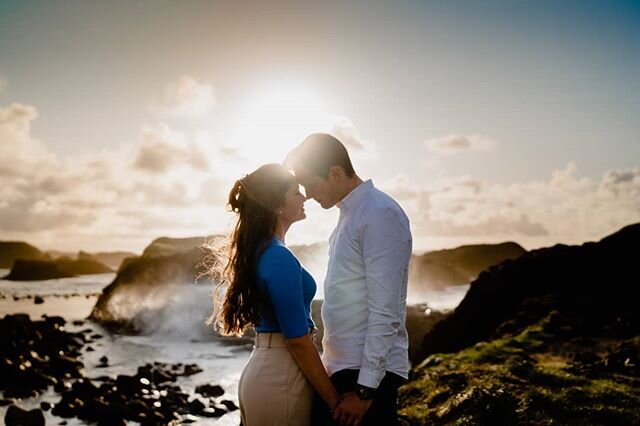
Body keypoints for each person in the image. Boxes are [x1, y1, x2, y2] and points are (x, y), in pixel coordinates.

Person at [285, 133, 412, 426]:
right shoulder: (351, 214)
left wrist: (365, 390)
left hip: (364, 376)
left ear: (335, 173)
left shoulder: (379, 214)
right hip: (346, 369)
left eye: (309, 183)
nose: (306, 194)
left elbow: (386, 310)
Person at [207, 163, 342, 426]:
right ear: (276, 205)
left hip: (269, 372)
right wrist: (334, 400)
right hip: (281, 377)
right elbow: (298, 341)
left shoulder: (263, 250)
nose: (305, 197)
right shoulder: (278, 256)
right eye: (295, 193)